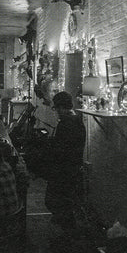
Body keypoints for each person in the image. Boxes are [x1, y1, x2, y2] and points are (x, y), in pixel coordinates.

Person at [45, 91, 86, 231]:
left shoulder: (66, 123)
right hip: (72, 165)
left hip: (64, 168)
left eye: (56, 109)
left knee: (54, 199)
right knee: (64, 199)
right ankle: (67, 227)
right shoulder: (76, 120)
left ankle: (68, 231)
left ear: (61, 107)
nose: (56, 112)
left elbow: (61, 149)